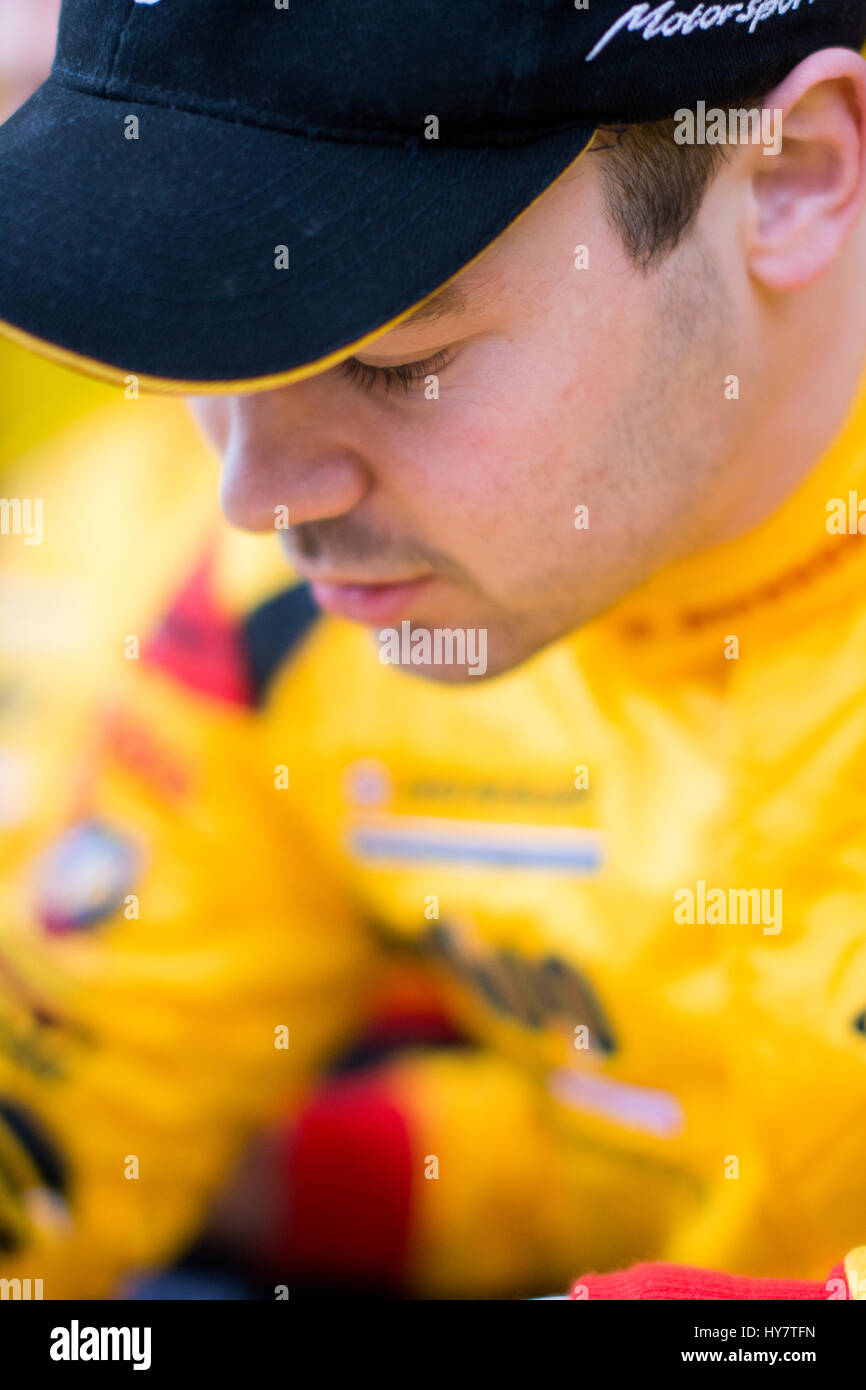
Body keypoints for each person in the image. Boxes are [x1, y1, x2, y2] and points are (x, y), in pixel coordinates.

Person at [1, 0, 866, 1300]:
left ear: (789, 173)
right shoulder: (270, 623)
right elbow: (72, 1102)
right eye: (195, 350)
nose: (259, 497)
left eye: (395, 363)